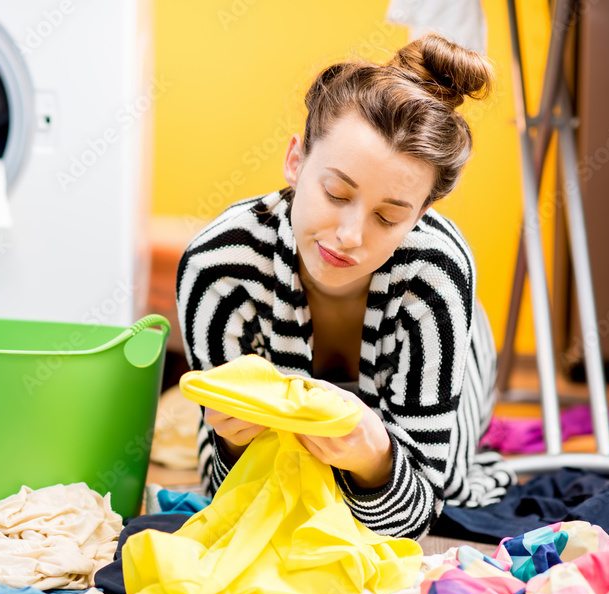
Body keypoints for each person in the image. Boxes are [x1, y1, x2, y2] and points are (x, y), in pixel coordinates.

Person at [175, 34, 516, 540]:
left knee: (456, 482)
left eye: (388, 216)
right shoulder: (220, 268)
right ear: (295, 161)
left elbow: (423, 504)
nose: (350, 236)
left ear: (420, 216)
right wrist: (230, 445)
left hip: (444, 341)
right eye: (335, 193)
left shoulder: (435, 274)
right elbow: (224, 490)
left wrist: (378, 459)